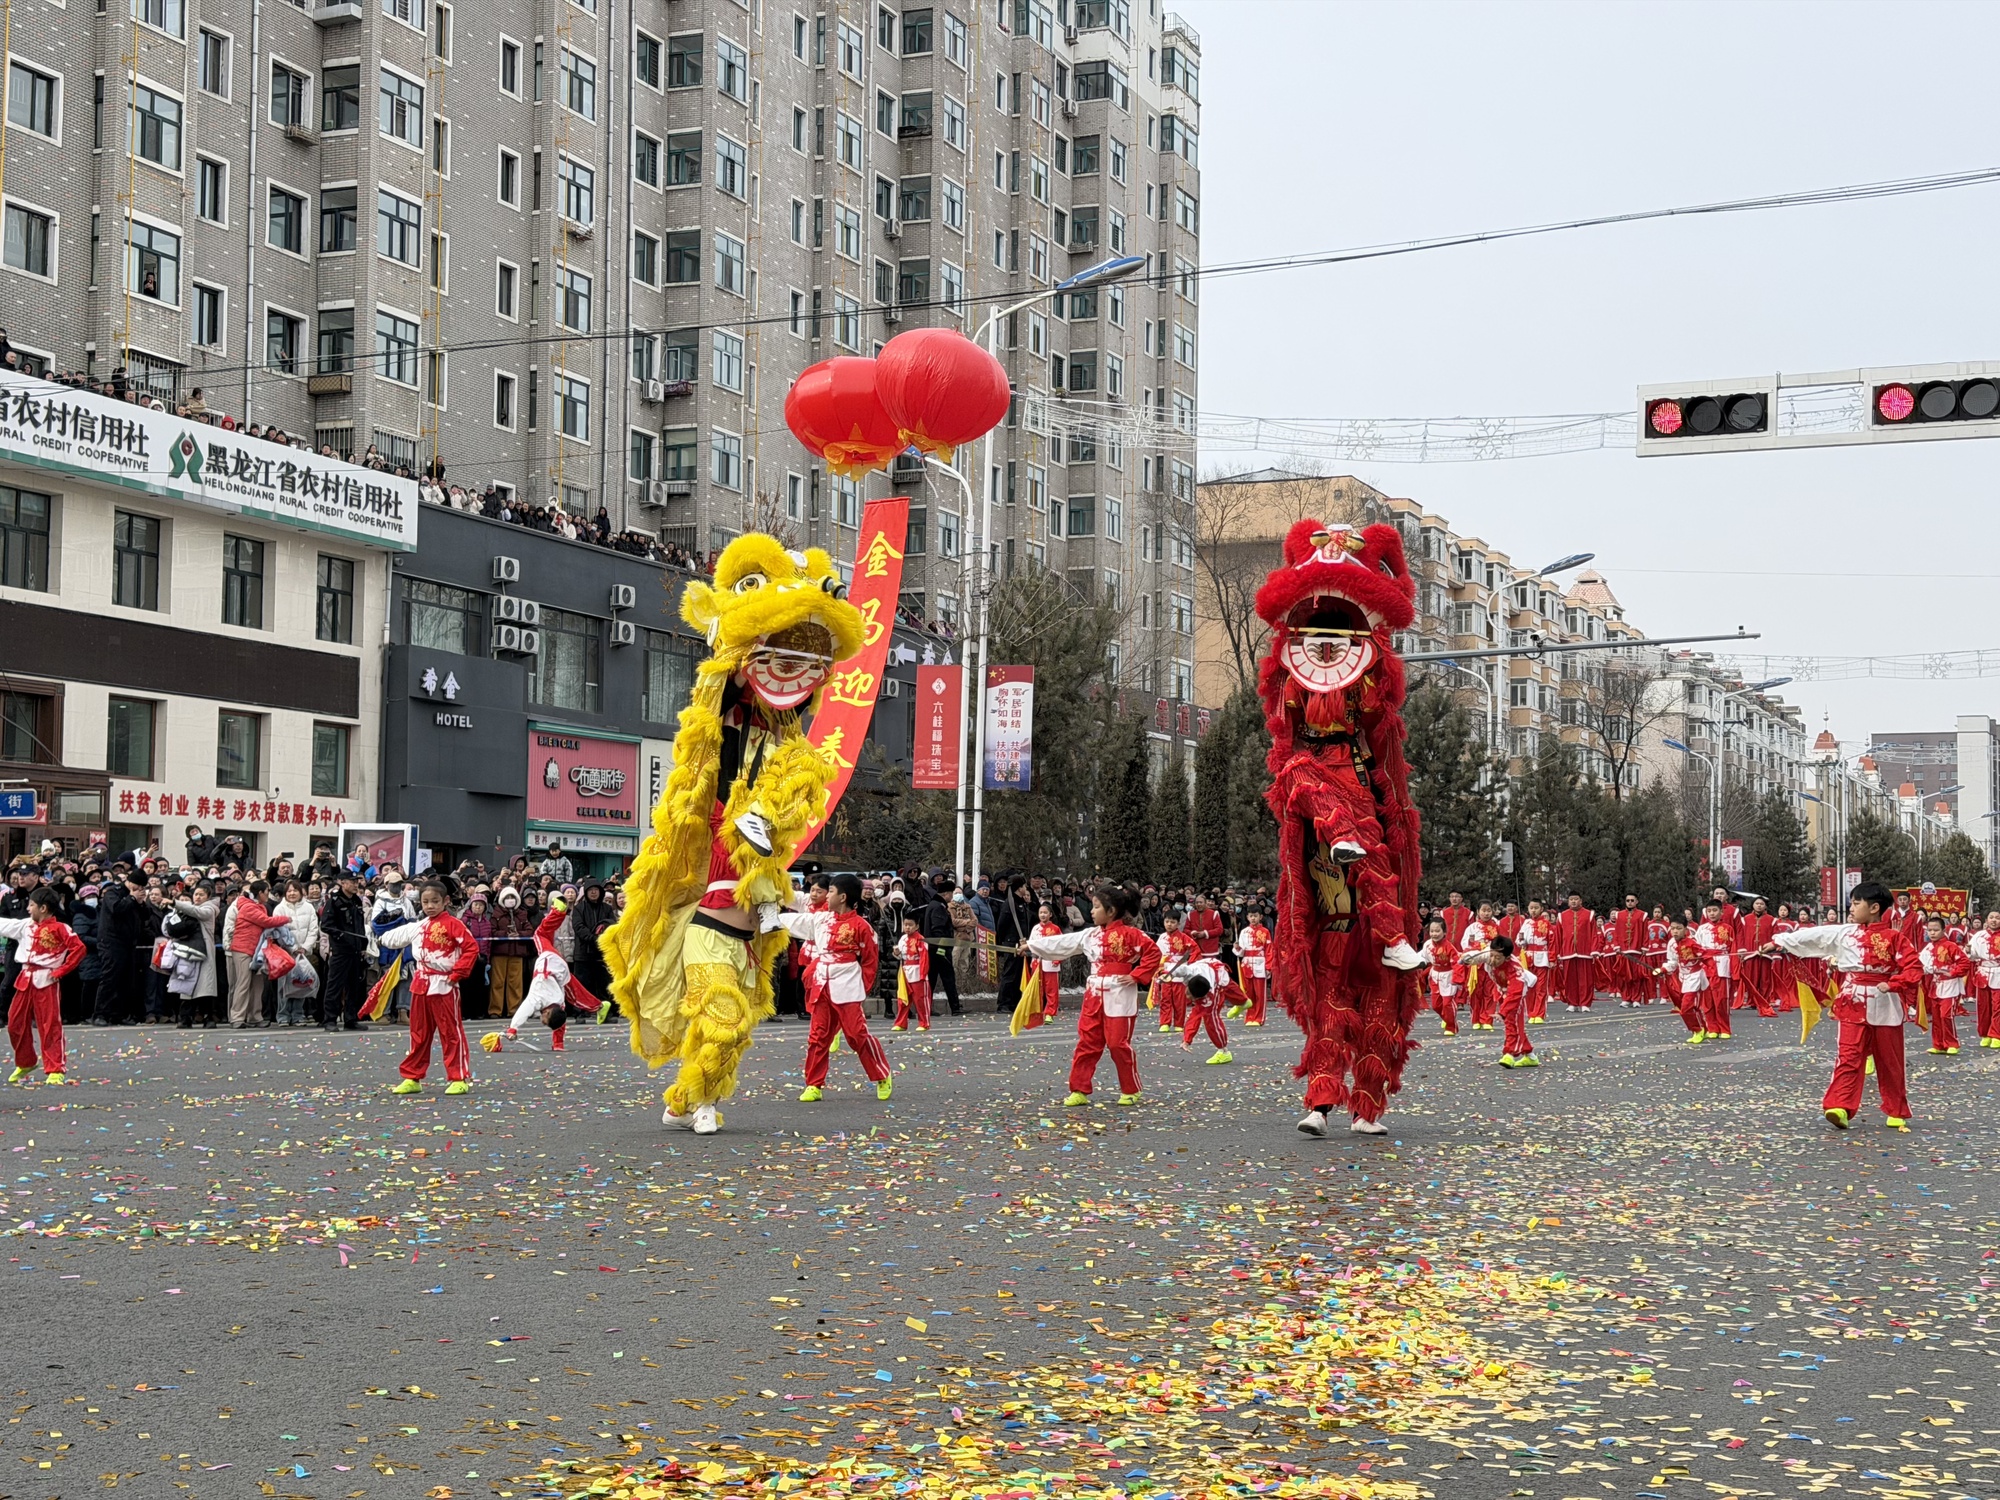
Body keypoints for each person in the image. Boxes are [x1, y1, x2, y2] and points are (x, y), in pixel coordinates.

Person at [1769, 880, 1923, 1130]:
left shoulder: (1895, 938)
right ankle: (1839, 1106)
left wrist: (1894, 984)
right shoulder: (1845, 932)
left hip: (1885, 1003)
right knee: (1848, 1056)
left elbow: (1914, 968)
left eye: (1856, 902)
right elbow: (1812, 937)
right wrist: (1780, 942)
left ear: (1874, 908)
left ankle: (1896, 1109)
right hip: (1853, 1001)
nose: (1851, 908)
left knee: (1890, 1060)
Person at [1027, 882, 1163, 1109]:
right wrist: (1031, 946)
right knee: (1087, 1041)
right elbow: (1061, 943)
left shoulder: (1132, 934)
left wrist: (1137, 975)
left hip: (1120, 993)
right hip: (1093, 994)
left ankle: (1131, 1088)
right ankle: (1079, 1088)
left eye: (1097, 906)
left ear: (1111, 912)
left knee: (1118, 1044)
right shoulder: (1089, 935)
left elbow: (1153, 953)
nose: (1092, 911)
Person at [771, 873, 892, 1103]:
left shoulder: (861, 926)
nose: (827, 896)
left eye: (832, 892)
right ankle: (813, 1084)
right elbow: (794, 922)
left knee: (856, 1035)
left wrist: (862, 988)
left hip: (846, 985)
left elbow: (869, 960)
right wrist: (768, 918)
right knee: (818, 1036)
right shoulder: (821, 920)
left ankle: (881, 1074)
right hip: (821, 983)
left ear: (843, 897)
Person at [377, 881, 480, 1094]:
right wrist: (378, 935)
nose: (430, 906)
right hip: (421, 983)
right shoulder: (419, 926)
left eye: (434, 901)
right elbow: (392, 938)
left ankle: (458, 1076)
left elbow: (471, 948)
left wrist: (458, 973)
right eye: (425, 902)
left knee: (450, 1032)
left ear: (446, 901)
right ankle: (412, 1076)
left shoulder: (454, 924)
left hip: (444, 983)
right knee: (419, 1033)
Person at [1, 888, 86, 1084]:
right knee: (14, 1023)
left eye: (31, 905)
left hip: (46, 979)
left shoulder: (61, 928)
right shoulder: (25, 926)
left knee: (49, 1025)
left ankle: (55, 1067)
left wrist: (60, 971)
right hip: (25, 978)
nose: (28, 909)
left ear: (44, 908)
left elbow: (79, 949)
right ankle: (26, 1062)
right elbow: (5, 924)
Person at [505, 896, 603, 1049]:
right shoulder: (538, 997)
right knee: (540, 934)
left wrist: (559, 1043)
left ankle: (598, 1006)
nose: (541, 1019)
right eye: (544, 1019)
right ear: (548, 1012)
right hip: (549, 960)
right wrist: (513, 1029)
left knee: (576, 994)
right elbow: (523, 1010)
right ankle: (558, 911)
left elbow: (560, 1020)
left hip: (559, 972)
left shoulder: (559, 1004)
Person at [224, 881, 291, 1028]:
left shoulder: (258, 906)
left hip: (257, 950)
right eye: (267, 891)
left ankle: (255, 1016)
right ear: (260, 893)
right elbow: (266, 922)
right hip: (243, 949)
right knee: (243, 983)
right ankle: (237, 1018)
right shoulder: (248, 907)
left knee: (257, 984)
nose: (269, 894)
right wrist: (286, 919)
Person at [1474, 933, 1540, 1068]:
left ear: (1508, 957)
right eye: (1492, 955)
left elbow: (1515, 993)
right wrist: (1465, 959)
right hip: (1501, 990)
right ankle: (1530, 1056)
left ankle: (1509, 1054)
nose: (1493, 960)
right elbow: (1476, 956)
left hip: (1516, 994)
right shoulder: (1490, 953)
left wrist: (1502, 1012)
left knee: (1512, 1022)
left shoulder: (1515, 969)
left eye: (1498, 958)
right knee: (1512, 1024)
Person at [320, 869, 370, 1031]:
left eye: (357, 882)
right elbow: (326, 925)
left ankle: (350, 1018)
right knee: (335, 985)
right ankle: (330, 1019)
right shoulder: (334, 901)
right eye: (352, 881)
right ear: (342, 883)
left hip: (356, 949)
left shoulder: (356, 901)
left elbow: (360, 925)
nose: (356, 885)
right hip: (341, 950)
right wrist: (342, 936)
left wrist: (363, 945)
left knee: (354, 986)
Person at [1918, 915, 1972, 1056]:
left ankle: (1952, 1043)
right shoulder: (1928, 948)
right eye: (1929, 930)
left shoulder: (1951, 946)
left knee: (1946, 1015)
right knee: (1936, 1016)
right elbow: (1919, 964)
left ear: (1943, 930)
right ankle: (1939, 1044)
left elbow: (1965, 963)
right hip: (1935, 985)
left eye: (1936, 930)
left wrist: (1952, 972)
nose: (1932, 933)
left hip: (1950, 986)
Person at [170, 884, 221, 1028]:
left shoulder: (209, 909)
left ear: (208, 897)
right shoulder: (189, 910)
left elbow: (197, 912)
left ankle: (208, 1017)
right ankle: (185, 1018)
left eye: (201, 895)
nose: (197, 897)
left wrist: (175, 903)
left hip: (204, 952)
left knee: (205, 987)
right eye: (196, 894)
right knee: (187, 984)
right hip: (189, 951)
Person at [1658, 917, 1715, 1043]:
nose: (1675, 931)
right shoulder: (1671, 943)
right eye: (1672, 928)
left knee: (1686, 1007)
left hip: (1696, 976)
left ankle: (1698, 1030)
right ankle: (1702, 1030)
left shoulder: (1692, 942)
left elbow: (1704, 955)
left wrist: (1707, 959)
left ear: (1685, 929)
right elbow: (1672, 962)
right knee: (1691, 1007)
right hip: (1683, 978)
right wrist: (1663, 969)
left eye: (1678, 928)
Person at [1692, 900, 1736, 1039]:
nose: (1712, 913)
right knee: (1708, 999)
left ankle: (1725, 1028)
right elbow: (1696, 947)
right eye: (1709, 911)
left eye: (1715, 910)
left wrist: (1734, 968)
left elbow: (1732, 948)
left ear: (1721, 912)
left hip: (1721, 965)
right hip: (1705, 964)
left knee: (1721, 998)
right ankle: (1712, 1027)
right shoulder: (1702, 929)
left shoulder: (1728, 928)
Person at [1153, 911, 1200, 1034]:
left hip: (1179, 971)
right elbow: (1155, 953)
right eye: (1167, 922)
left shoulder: (1184, 938)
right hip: (1165, 970)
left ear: (1178, 924)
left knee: (1180, 1000)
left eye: (1173, 922)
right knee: (1165, 999)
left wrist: (1190, 965)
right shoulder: (1161, 937)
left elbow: (1195, 950)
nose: (1169, 924)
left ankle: (1179, 1023)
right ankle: (1164, 1022)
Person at [1552, 893, 1598, 1011]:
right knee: (1569, 979)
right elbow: (1558, 936)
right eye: (1571, 900)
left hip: (1585, 951)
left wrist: (1594, 949)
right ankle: (1572, 1003)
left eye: (1576, 899)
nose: (1573, 902)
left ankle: (1585, 1003)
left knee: (1585, 979)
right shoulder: (1562, 916)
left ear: (1580, 901)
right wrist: (1557, 952)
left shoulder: (1589, 915)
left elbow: (1594, 934)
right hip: (1567, 951)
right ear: (1568, 902)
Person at [1735, 897, 1780, 1016]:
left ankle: (1764, 1000)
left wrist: (1773, 946)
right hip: (1750, 953)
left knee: (1765, 979)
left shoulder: (1772, 920)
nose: (1759, 906)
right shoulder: (1745, 919)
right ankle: (1751, 1001)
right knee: (1751, 978)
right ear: (1753, 905)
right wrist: (1741, 949)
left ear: (1765, 906)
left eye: (1761, 904)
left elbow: (1776, 935)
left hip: (1766, 953)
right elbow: (1741, 935)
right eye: (1757, 903)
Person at [1420, 915, 1462, 1035]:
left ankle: (1451, 1027)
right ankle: (1447, 1018)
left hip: (1448, 976)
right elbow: (1422, 957)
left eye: (1437, 931)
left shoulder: (1449, 947)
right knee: (1436, 1005)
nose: (1434, 934)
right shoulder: (1427, 944)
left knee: (1447, 1003)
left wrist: (1457, 979)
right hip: (1434, 976)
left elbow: (1456, 963)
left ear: (1444, 932)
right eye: (1432, 931)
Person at [893, 913, 932, 1031]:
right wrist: (896, 953)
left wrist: (923, 974)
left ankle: (924, 1023)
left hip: (917, 972)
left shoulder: (921, 939)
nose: (907, 928)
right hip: (904, 971)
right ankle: (901, 1023)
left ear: (916, 926)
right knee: (902, 999)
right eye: (905, 925)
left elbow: (924, 958)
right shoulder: (902, 939)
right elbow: (901, 957)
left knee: (920, 999)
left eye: (910, 925)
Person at [1969, 910, 2000, 1047]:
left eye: (1997, 918)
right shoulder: (1978, 936)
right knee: (1983, 1006)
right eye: (1991, 917)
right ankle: (1985, 1033)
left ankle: (1996, 1034)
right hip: (1983, 972)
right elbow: (1971, 954)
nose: (1994, 920)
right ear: (1986, 920)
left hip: (1998, 971)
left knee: (1997, 1006)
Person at [1236, 908, 1272, 1025]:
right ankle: (1250, 1017)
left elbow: (1269, 950)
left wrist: (1268, 967)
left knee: (1260, 994)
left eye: (1255, 916)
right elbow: (1240, 953)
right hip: (1247, 963)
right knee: (1248, 993)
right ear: (1247, 917)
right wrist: (1237, 948)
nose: (1253, 918)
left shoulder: (1265, 932)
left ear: (1260, 917)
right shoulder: (1244, 932)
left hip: (1260, 963)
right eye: (1251, 916)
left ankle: (1259, 1018)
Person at [1032, 902, 1065, 1019]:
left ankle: (1050, 1013)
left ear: (1050, 914)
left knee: (1051, 989)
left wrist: (1058, 959)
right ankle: (1038, 1011)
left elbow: (1062, 946)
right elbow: (1031, 945)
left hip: (1051, 962)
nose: (1043, 915)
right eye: (1041, 912)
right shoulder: (1035, 928)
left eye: (1045, 912)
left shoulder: (1055, 929)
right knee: (1037, 988)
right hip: (1037, 963)